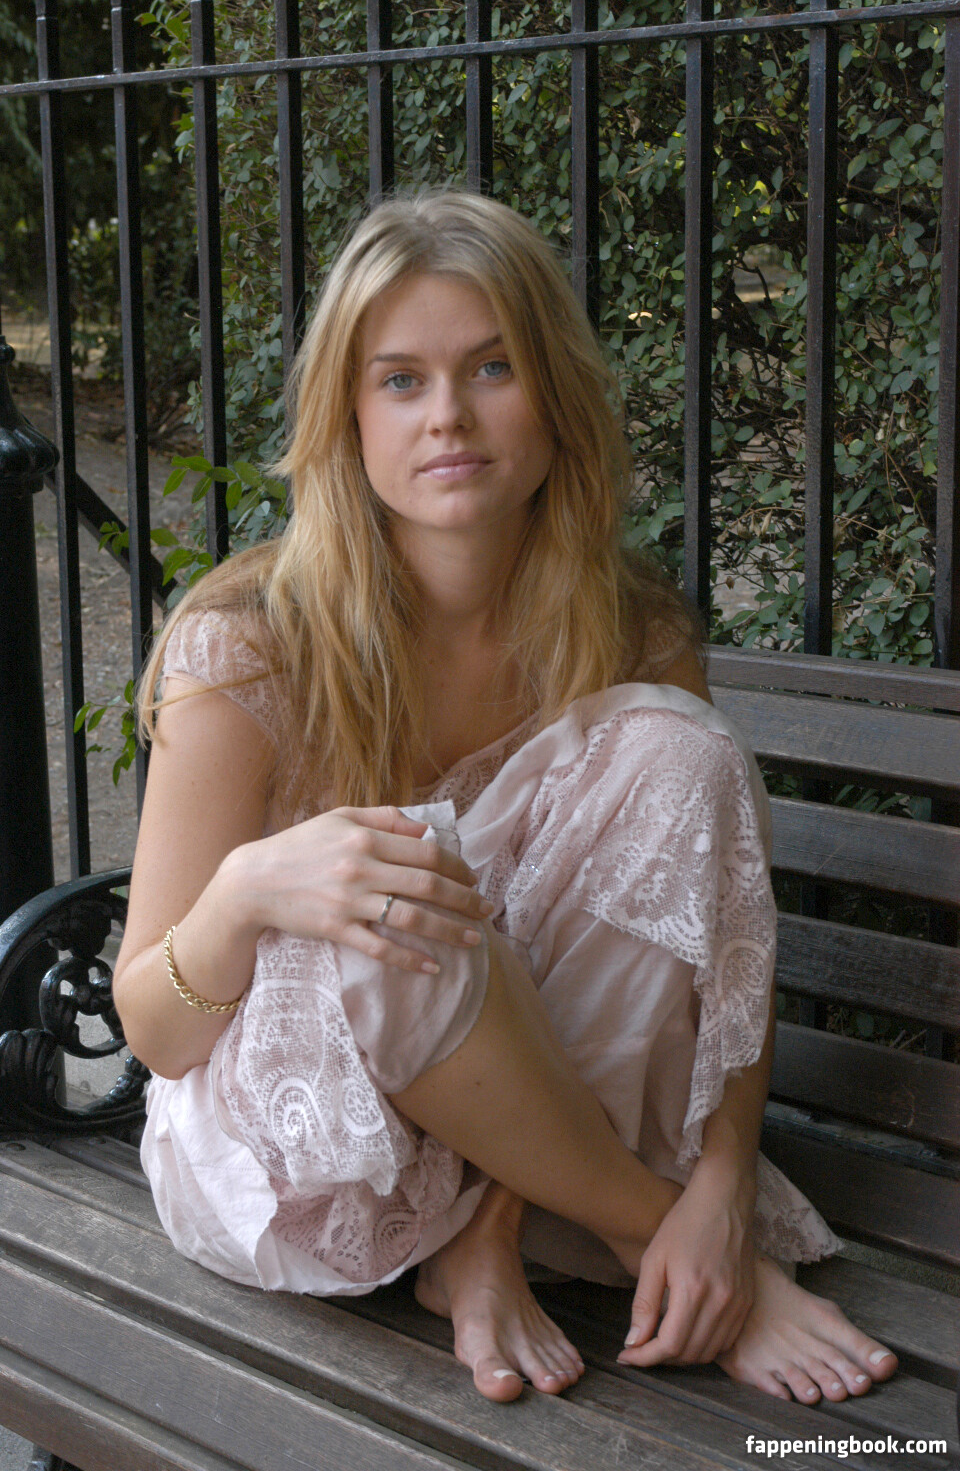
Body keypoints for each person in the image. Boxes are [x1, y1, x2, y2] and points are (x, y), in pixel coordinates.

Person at [113, 190, 897, 1407]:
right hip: (303, 1149)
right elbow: (156, 1033)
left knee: (679, 751)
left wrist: (726, 1178)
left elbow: (722, 948)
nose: (448, 415)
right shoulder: (249, 644)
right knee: (387, 888)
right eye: (400, 380)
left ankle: (485, 1235)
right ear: (347, 416)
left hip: (533, 1109)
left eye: (491, 367)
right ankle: (645, 1236)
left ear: (553, 394)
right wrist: (251, 888)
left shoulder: (631, 631)